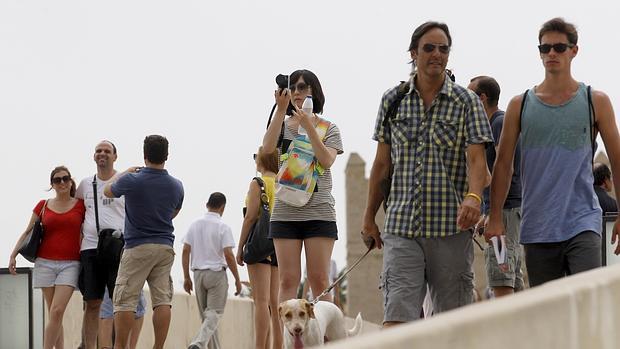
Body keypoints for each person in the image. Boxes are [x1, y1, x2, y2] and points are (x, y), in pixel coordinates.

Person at [361, 21, 493, 326]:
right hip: (402, 227)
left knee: (452, 325)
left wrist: (474, 197)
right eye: (429, 48)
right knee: (397, 320)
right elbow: (381, 165)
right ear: (413, 53)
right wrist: (369, 216)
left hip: (450, 228)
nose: (437, 54)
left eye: (443, 49)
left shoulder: (466, 102)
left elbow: (477, 161)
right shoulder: (392, 101)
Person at [486, 18, 620, 287]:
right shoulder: (519, 105)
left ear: (574, 51)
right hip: (537, 226)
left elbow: (616, 161)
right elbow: (502, 166)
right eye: (545, 48)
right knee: (549, 313)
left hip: (583, 221)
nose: (551, 54)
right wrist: (495, 217)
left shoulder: (596, 101)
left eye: (559, 47)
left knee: (586, 299)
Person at [262, 69, 344, 304]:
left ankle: (325, 339)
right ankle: (289, 340)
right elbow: (267, 148)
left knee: (319, 279)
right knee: (287, 281)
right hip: (286, 211)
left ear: (313, 91)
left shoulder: (329, 128)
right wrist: (280, 110)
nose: (297, 92)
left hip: (319, 210)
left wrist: (309, 127)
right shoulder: (283, 124)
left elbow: (326, 160)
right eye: (293, 87)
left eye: (303, 87)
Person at [104, 135, 184, 349]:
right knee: (162, 300)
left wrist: (124, 173)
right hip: (165, 246)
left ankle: (120, 345)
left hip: (137, 246)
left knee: (125, 300)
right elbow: (173, 212)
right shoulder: (177, 185)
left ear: (144, 155)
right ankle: (158, 346)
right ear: (166, 155)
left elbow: (107, 191)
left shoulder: (133, 180)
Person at [9, 166, 85, 349]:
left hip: (71, 263)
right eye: (57, 180)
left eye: (65, 178)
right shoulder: (43, 205)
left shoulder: (81, 205)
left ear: (70, 181)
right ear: (52, 184)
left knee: (57, 311)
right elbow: (27, 231)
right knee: (54, 314)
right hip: (45, 263)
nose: (62, 182)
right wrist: (13, 255)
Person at [75, 140, 142, 348]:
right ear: (93, 156)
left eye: (106, 151)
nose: (102, 154)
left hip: (117, 247)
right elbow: (76, 211)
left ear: (115, 156)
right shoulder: (86, 184)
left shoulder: (125, 181)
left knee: (121, 303)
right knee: (92, 303)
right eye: (98, 151)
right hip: (91, 248)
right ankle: (88, 345)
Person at [468, 76, 525, 297]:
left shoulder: (499, 123)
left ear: (482, 98)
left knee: (502, 280)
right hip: (504, 214)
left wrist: (494, 215)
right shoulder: (492, 126)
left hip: (505, 214)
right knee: (512, 278)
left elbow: (505, 168)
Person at [236, 147, 283, 349]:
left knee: (261, 301)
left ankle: (260, 346)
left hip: (260, 243)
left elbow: (250, 218)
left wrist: (240, 248)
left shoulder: (258, 183)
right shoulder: (283, 183)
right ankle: (278, 346)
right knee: (275, 303)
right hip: (280, 244)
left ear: (261, 160)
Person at [182, 192, 241, 349]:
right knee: (213, 315)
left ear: (207, 204)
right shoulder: (223, 227)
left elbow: (185, 251)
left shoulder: (194, 225)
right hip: (216, 274)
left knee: (207, 320)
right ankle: (198, 343)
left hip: (198, 274)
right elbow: (228, 254)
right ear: (222, 207)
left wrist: (186, 277)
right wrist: (237, 278)